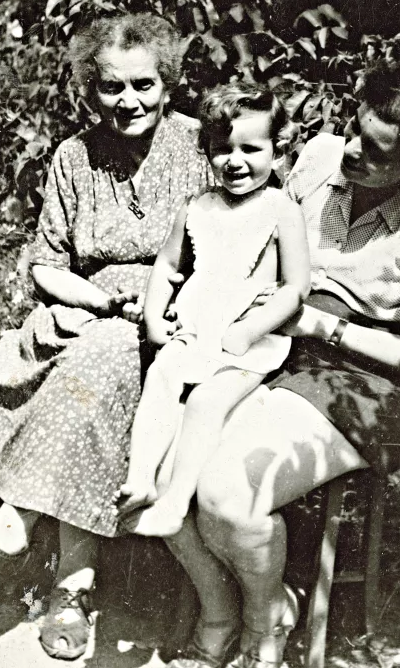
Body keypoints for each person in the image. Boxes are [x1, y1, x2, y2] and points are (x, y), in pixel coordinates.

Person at [158, 67, 400, 668]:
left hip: (369, 383)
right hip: (269, 345)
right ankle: (224, 605)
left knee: (226, 494)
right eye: (355, 130)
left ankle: (264, 625)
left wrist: (322, 325)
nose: (351, 151)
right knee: (159, 470)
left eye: (376, 152)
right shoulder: (320, 159)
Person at [0, 12, 211, 661]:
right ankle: (71, 587)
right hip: (88, 308)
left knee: (99, 363)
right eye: (112, 87)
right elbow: (47, 265)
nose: (129, 101)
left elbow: (236, 244)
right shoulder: (74, 157)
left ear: (167, 83)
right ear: (91, 90)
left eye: (143, 84)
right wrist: (99, 298)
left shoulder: (199, 148)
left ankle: (9, 541)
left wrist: (159, 302)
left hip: (172, 319)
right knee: (37, 367)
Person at [118, 83, 310, 538]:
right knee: (162, 377)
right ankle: (142, 478)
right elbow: (167, 265)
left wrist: (250, 330)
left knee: (205, 402)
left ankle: (175, 499)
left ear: (277, 150)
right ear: (207, 150)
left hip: (249, 343)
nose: (235, 161)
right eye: (223, 149)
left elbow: (296, 286)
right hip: (196, 330)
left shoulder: (280, 209)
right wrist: (153, 319)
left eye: (250, 148)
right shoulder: (197, 206)